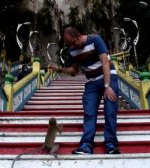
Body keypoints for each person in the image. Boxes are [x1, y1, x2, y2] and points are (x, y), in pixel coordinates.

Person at [49, 26, 120, 154]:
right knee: (89, 112)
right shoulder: (72, 51)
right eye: (69, 44)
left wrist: (107, 86)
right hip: (91, 82)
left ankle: (111, 144)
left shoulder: (95, 40)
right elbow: (74, 71)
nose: (72, 46)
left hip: (108, 76)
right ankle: (86, 145)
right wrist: (59, 69)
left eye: (73, 43)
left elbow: (105, 62)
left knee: (110, 110)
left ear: (79, 35)